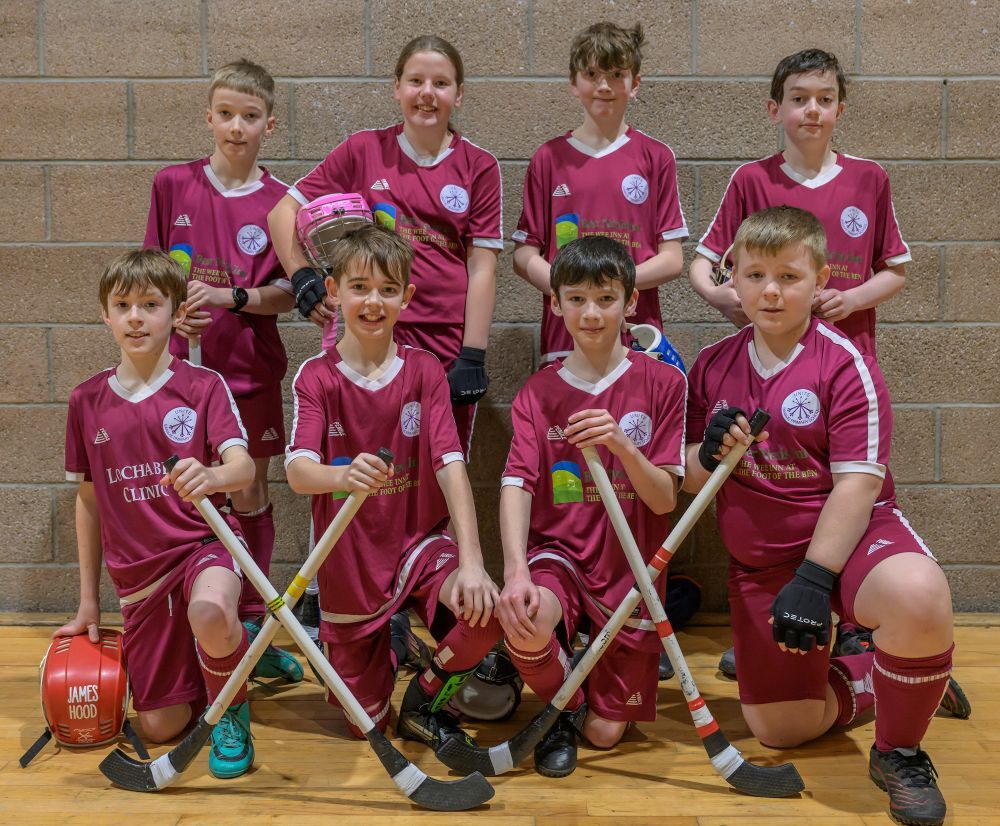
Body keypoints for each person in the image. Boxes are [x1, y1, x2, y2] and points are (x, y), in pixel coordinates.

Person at [684, 206, 962, 826]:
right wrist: (704, 453)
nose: (772, 291)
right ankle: (892, 676)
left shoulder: (845, 364)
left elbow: (858, 485)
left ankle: (898, 750)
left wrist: (813, 578)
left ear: (819, 281)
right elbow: (688, 482)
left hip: (852, 541)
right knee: (782, 729)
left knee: (918, 598)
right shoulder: (710, 367)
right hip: (762, 563)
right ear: (732, 278)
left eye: (789, 275)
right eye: (755, 275)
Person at [284, 224, 501, 754]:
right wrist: (340, 476)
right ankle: (392, 641)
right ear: (333, 292)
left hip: (418, 543)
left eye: (387, 289)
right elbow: (296, 471)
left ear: (406, 298)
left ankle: (426, 696)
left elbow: (451, 466)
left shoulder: (426, 371)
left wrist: (472, 560)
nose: (372, 301)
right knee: (364, 725)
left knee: (483, 614)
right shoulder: (316, 377)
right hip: (350, 560)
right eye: (359, 287)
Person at [56, 249, 257, 779]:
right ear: (105, 314)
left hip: (202, 549)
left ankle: (232, 706)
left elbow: (244, 469)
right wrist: (87, 604)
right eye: (123, 305)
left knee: (210, 611)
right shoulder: (86, 400)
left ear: (174, 312)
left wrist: (212, 477)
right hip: (140, 581)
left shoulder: (203, 385)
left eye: (150, 303)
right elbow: (90, 502)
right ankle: (233, 653)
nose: (136, 317)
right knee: (160, 726)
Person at [497, 235, 687, 777]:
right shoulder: (538, 391)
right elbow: (518, 481)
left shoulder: (664, 382)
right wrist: (514, 571)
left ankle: (571, 674)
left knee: (605, 736)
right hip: (559, 557)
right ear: (554, 304)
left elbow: (663, 497)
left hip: (631, 573)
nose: (591, 312)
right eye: (576, 298)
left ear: (630, 303)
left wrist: (622, 446)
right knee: (526, 615)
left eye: (606, 298)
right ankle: (561, 706)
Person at [144, 58, 301, 684]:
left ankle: (255, 622)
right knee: (187, 496)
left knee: (248, 490)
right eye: (227, 114)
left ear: (271, 124)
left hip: (250, 373)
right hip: (180, 377)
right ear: (209, 117)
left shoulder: (280, 203)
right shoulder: (171, 185)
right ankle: (201, 622)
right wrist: (167, 319)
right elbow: (148, 280)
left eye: (251, 116)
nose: (237, 127)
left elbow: (293, 293)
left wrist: (231, 297)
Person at [268, 34, 501, 457]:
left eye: (441, 84)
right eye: (415, 81)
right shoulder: (363, 149)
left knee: (440, 464)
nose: (427, 94)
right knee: (368, 458)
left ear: (459, 94)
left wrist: (473, 355)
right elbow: (281, 212)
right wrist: (302, 274)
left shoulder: (479, 166)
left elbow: (482, 267)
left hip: (446, 340)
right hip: (372, 332)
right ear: (397, 88)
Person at [690, 48, 909, 356]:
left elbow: (894, 272)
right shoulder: (751, 179)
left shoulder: (869, 178)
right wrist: (715, 295)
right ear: (774, 109)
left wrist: (852, 300)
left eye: (825, 99)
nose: (813, 109)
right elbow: (703, 261)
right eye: (799, 99)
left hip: (849, 353)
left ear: (840, 110)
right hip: (769, 355)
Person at [512, 22, 687, 365]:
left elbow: (673, 259)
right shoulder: (548, 158)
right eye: (592, 74)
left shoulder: (656, 157)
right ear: (574, 84)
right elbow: (524, 255)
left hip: (635, 332)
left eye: (617, 74)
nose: (604, 86)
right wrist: (573, 295)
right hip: (565, 335)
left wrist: (611, 296)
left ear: (634, 84)